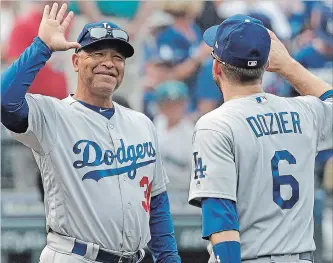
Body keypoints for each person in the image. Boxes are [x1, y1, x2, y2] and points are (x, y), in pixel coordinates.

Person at [1, 3, 181, 263]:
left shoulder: (141, 123)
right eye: (97, 53)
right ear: (76, 60)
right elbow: (6, 101)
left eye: (118, 57)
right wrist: (42, 46)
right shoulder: (53, 114)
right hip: (74, 255)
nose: (109, 63)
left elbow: (158, 205)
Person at [187, 14, 332, 263]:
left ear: (217, 66)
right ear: (266, 66)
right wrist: (288, 65)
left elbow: (220, 220)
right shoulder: (305, 111)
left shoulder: (216, 124)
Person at [5, 1, 69, 99]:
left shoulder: (63, 23)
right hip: (36, 104)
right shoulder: (24, 25)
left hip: (61, 101)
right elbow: (15, 75)